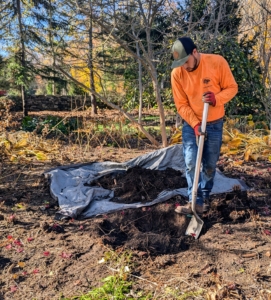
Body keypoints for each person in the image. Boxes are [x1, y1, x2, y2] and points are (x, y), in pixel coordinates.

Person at [170, 36, 238, 215]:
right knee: (191, 161)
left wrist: (217, 99)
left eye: (186, 61)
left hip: (214, 122)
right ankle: (194, 199)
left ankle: (205, 196)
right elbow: (181, 104)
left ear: (195, 52)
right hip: (192, 123)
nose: (184, 66)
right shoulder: (177, 73)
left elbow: (232, 87)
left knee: (209, 163)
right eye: (180, 63)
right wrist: (194, 124)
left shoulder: (217, 62)